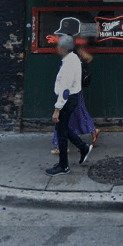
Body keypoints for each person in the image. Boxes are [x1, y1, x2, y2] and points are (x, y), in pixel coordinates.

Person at [46, 35, 94, 176]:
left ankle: (64, 166)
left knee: (61, 132)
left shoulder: (69, 63)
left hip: (67, 100)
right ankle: (83, 147)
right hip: (72, 99)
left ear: (63, 48)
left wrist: (57, 109)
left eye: (59, 47)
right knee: (63, 128)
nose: (57, 49)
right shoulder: (73, 58)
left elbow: (65, 90)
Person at [50, 46, 98, 155]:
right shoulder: (72, 52)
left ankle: (64, 147)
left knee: (62, 118)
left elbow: (88, 58)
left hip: (70, 89)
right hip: (74, 89)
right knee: (79, 112)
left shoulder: (73, 51)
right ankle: (92, 131)